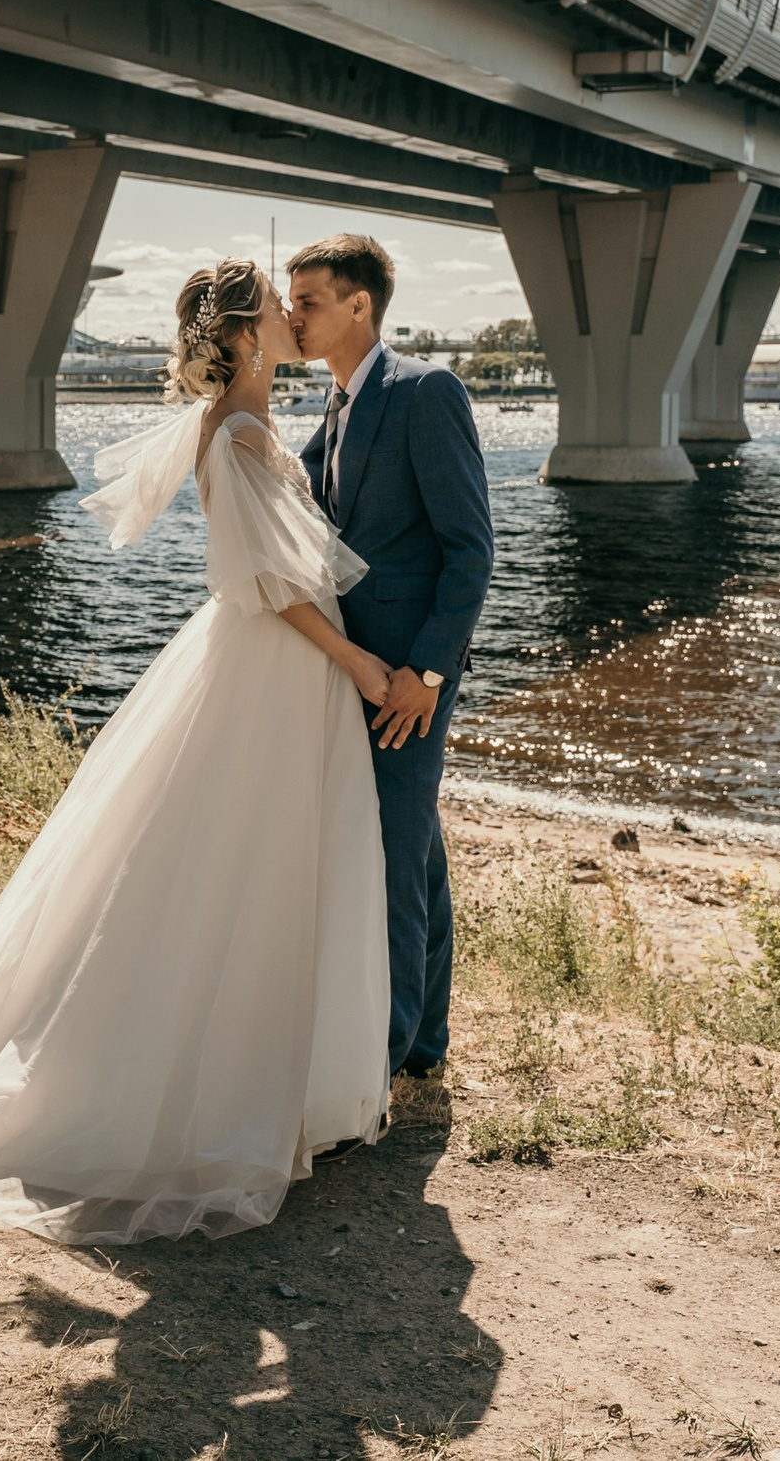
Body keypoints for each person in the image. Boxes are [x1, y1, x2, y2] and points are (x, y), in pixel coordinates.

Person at [0, 258, 394, 1243]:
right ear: (242, 336)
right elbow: (271, 586)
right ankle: (184, 1093)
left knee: (267, 864)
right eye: (276, 310)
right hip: (273, 664)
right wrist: (359, 662)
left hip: (280, 672)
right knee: (232, 865)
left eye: (297, 306)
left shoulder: (256, 423)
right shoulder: (234, 431)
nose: (292, 317)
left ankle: (280, 1084)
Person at [287, 234, 494, 1081]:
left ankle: (379, 1064)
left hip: (406, 679)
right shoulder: (335, 408)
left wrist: (427, 675)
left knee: (390, 861)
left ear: (359, 305)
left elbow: (469, 550)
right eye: (292, 303)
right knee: (416, 856)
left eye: (308, 302)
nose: (294, 317)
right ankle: (425, 1043)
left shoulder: (425, 392)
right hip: (360, 673)